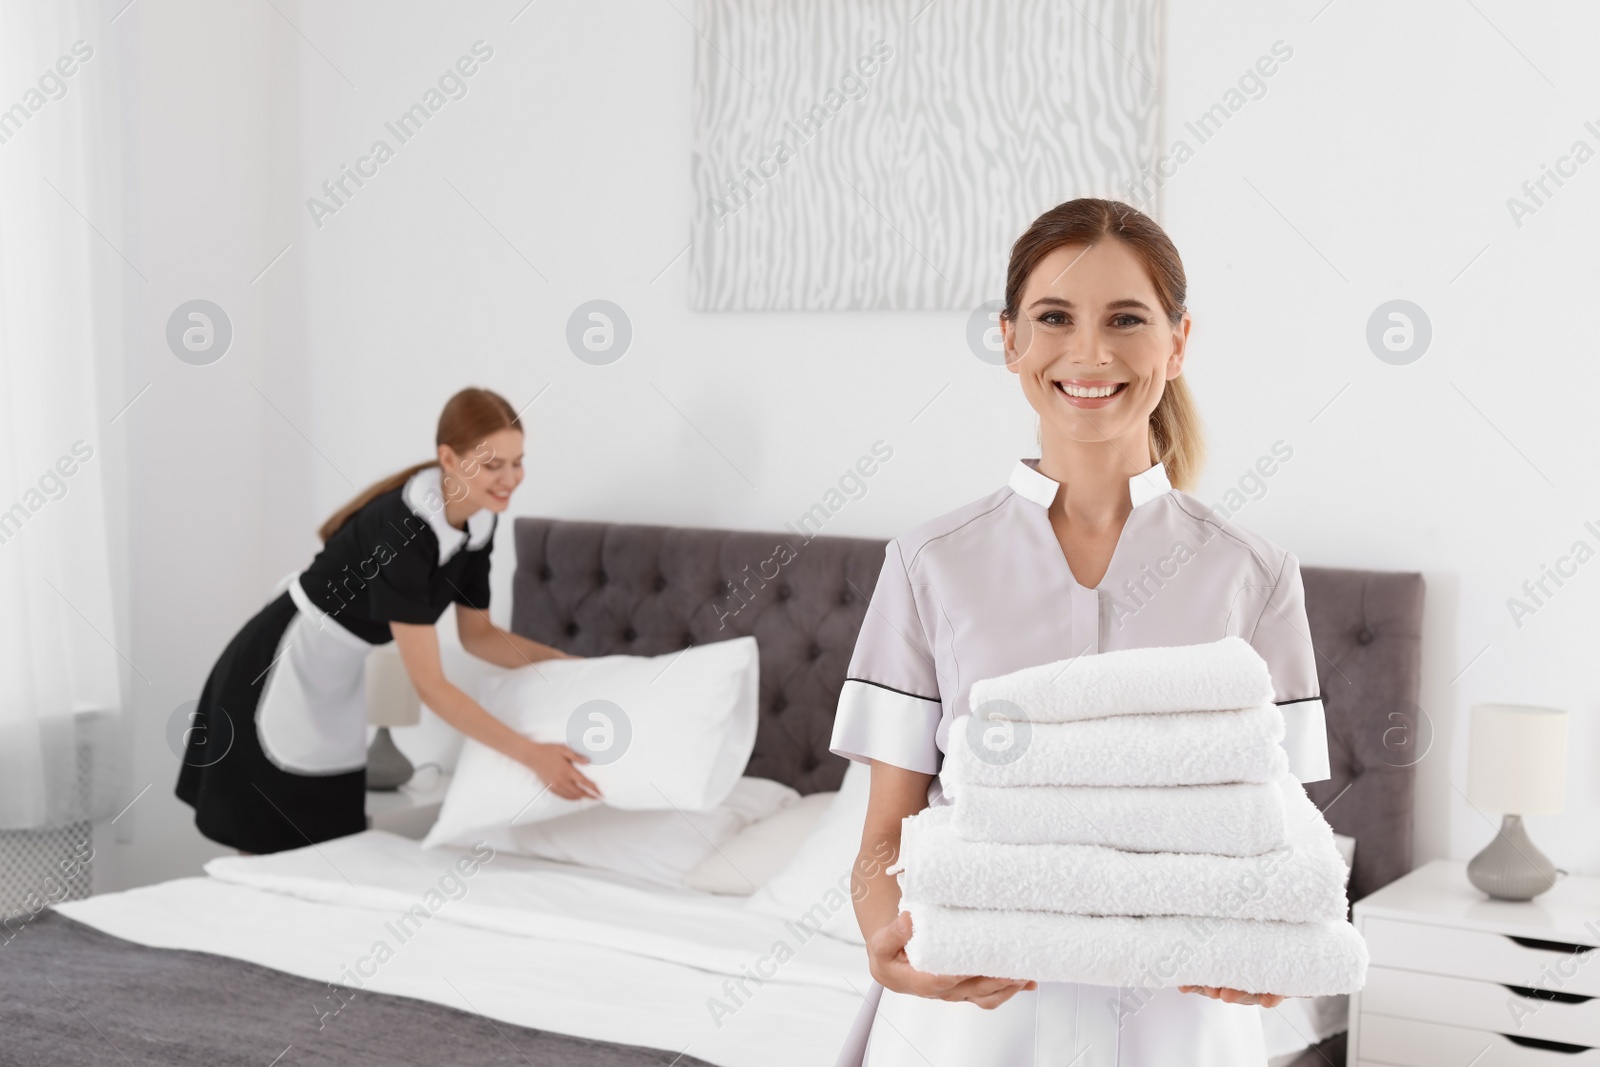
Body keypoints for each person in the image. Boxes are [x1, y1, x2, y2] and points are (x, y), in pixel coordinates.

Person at [829, 199, 1331, 1066]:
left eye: (1125, 320)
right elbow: (884, 836)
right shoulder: (928, 564)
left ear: (1176, 344)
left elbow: (1281, 829)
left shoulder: (1253, 573)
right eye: (1054, 318)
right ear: (1010, 341)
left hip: (1182, 1026)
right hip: (969, 1026)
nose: (1090, 352)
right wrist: (892, 940)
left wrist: (1279, 942)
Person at [175, 387, 600, 856]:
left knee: (329, 851)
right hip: (278, 670)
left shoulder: (478, 522)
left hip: (335, 680)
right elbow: (431, 687)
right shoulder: (405, 530)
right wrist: (533, 757)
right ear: (450, 459)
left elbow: (480, 637)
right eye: (492, 465)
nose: (510, 479)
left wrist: (572, 665)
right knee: (266, 853)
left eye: (517, 462)